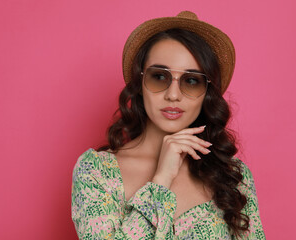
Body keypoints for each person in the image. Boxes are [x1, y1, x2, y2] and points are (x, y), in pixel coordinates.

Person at [71, 11, 265, 239]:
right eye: (159, 77)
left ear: (207, 93)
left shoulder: (233, 177)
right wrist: (162, 178)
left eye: (191, 81)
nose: (173, 95)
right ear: (140, 83)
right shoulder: (96, 172)